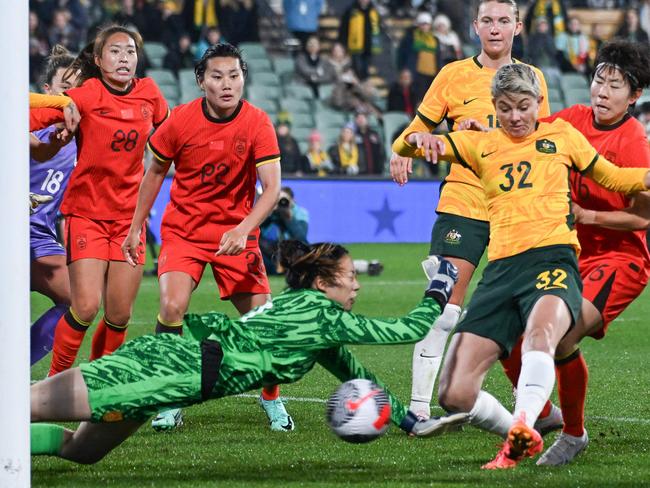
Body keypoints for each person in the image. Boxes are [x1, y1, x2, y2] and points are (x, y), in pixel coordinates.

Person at [393, 62, 650, 469]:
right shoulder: (479, 143)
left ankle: (525, 427)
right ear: (495, 106)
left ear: (539, 104)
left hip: (553, 259)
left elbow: (617, 178)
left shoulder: (562, 135)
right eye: (507, 107)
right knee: (454, 393)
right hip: (501, 271)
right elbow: (405, 146)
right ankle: (523, 423)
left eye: (525, 107)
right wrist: (417, 140)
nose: (516, 117)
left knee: (544, 335)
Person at [30, 241, 467, 464]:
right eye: (349, 276)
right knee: (25, 406)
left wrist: (409, 420)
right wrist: (441, 285)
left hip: (176, 371)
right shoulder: (322, 314)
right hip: (169, 369)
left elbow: (353, 373)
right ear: (321, 282)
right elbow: (410, 328)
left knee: (81, 452)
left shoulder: (312, 320)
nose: (357, 285)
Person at [390, 0, 551, 426]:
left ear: (517, 26)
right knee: (444, 308)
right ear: (474, 25)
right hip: (463, 202)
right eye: (487, 21)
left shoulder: (533, 79)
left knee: (521, 312)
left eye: (503, 21)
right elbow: (413, 131)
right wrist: (406, 149)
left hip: (513, 210)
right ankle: (419, 408)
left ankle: (531, 407)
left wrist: (489, 135)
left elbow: (541, 145)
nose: (495, 28)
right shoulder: (452, 75)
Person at [121, 43, 287, 432]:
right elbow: (153, 176)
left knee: (263, 322)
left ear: (244, 78)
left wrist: (244, 230)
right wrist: (134, 227)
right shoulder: (178, 121)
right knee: (171, 306)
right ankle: (170, 398)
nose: (227, 84)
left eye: (234, 76)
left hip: (235, 233)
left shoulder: (259, 123)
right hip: (184, 233)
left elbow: (273, 189)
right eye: (217, 76)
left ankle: (272, 398)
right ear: (201, 82)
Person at [503, 40, 650, 466]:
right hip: (569, 254)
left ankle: (572, 434)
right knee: (509, 336)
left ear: (634, 95)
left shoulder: (633, 141)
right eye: (599, 80)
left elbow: (643, 220)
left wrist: (587, 215)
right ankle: (543, 413)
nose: (602, 91)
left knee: (560, 337)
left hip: (620, 260)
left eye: (615, 85)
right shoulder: (572, 120)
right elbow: (528, 135)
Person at [46, 25, 169, 378]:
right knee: (85, 307)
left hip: (130, 220)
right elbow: (63, 109)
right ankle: (53, 387)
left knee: (119, 316)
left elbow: (171, 133)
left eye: (130, 51)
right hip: (86, 213)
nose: (124, 58)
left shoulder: (150, 94)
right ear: (99, 61)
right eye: (115, 52)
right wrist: (66, 114)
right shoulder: (88, 93)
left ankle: (99, 389)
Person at [29, 45, 79, 366]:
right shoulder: (31, 128)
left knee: (79, 301)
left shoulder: (83, 139)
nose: (72, 97)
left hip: (40, 235)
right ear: (48, 92)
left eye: (78, 87)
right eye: (65, 88)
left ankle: (18, 364)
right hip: (21, 231)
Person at [260, 187, 309, 275]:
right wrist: (269, 212)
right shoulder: (271, 212)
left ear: (292, 200)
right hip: (271, 249)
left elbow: (301, 236)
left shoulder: (300, 212)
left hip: (291, 249)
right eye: (278, 199)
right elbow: (259, 231)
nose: (281, 203)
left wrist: (289, 218)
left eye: (284, 199)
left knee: (302, 246)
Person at [397, 11, 443, 103]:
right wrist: (403, 69)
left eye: (427, 24)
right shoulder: (411, 38)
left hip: (432, 74)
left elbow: (438, 57)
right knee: (418, 99)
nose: (425, 26)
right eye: (422, 24)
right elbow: (402, 54)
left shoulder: (434, 39)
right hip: (417, 74)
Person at [338, 0, 382, 80]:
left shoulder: (374, 11)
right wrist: (343, 43)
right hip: (354, 46)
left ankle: (363, 87)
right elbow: (343, 28)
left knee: (365, 71)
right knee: (356, 69)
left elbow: (377, 28)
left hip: (368, 47)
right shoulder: (351, 10)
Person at [353, 110, 384, 175]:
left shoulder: (374, 134)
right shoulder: (353, 136)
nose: (360, 120)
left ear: (367, 120)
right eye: (358, 118)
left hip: (376, 171)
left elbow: (380, 152)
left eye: (362, 118)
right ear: (355, 121)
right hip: (360, 172)